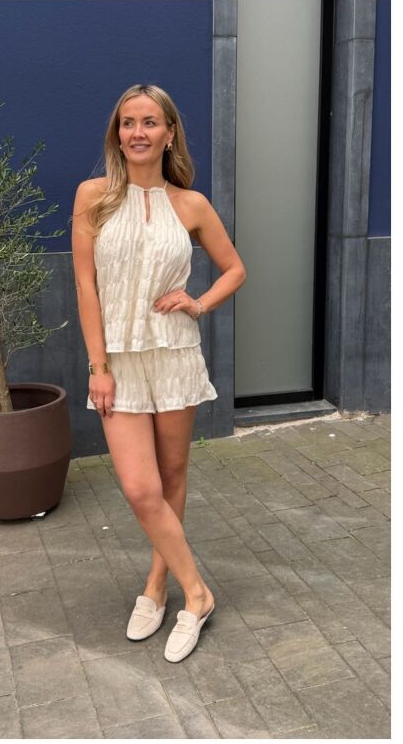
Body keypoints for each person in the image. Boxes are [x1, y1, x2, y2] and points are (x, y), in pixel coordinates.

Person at [71, 84, 246, 662]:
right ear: (117, 133)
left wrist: (198, 303)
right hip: (117, 362)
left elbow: (234, 269)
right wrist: (98, 366)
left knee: (171, 478)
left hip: (173, 356)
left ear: (170, 133)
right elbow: (86, 287)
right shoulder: (93, 196)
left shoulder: (190, 204)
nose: (138, 133)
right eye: (128, 123)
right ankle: (198, 593)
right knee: (141, 488)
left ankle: (156, 584)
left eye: (149, 122)